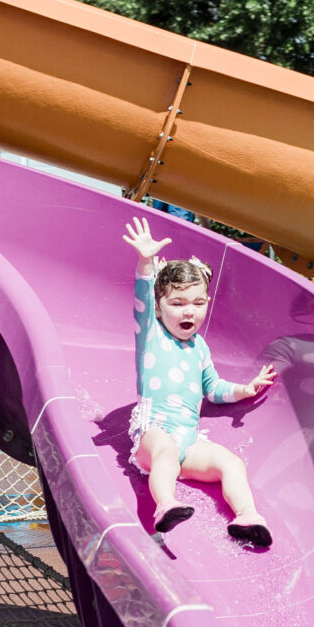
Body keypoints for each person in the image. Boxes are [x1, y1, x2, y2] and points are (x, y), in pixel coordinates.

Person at [124, 214, 277, 547]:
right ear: (159, 307)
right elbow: (141, 302)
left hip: (189, 441)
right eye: (176, 304)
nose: (188, 312)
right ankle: (166, 505)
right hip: (154, 433)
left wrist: (244, 389)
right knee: (164, 451)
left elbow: (214, 389)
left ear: (207, 303)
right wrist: (146, 264)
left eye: (197, 303)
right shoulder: (151, 336)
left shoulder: (199, 348)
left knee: (230, 462)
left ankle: (247, 517)